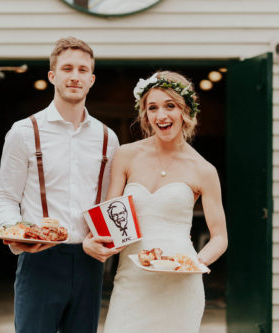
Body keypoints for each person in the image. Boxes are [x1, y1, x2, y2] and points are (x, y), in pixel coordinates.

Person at [83, 71, 228, 333]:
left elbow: (220, 238)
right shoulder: (126, 155)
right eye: (153, 107)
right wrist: (93, 241)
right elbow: (108, 221)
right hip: (132, 280)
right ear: (145, 114)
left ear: (186, 110)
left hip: (180, 284)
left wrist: (193, 263)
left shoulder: (204, 170)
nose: (161, 115)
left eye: (170, 105)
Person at [0, 36, 120, 333]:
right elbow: (5, 197)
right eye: (67, 69)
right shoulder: (24, 132)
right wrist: (18, 233)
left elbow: (108, 203)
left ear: (91, 79)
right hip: (40, 260)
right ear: (53, 76)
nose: (74, 76)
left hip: (89, 262)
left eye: (82, 70)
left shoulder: (107, 138)